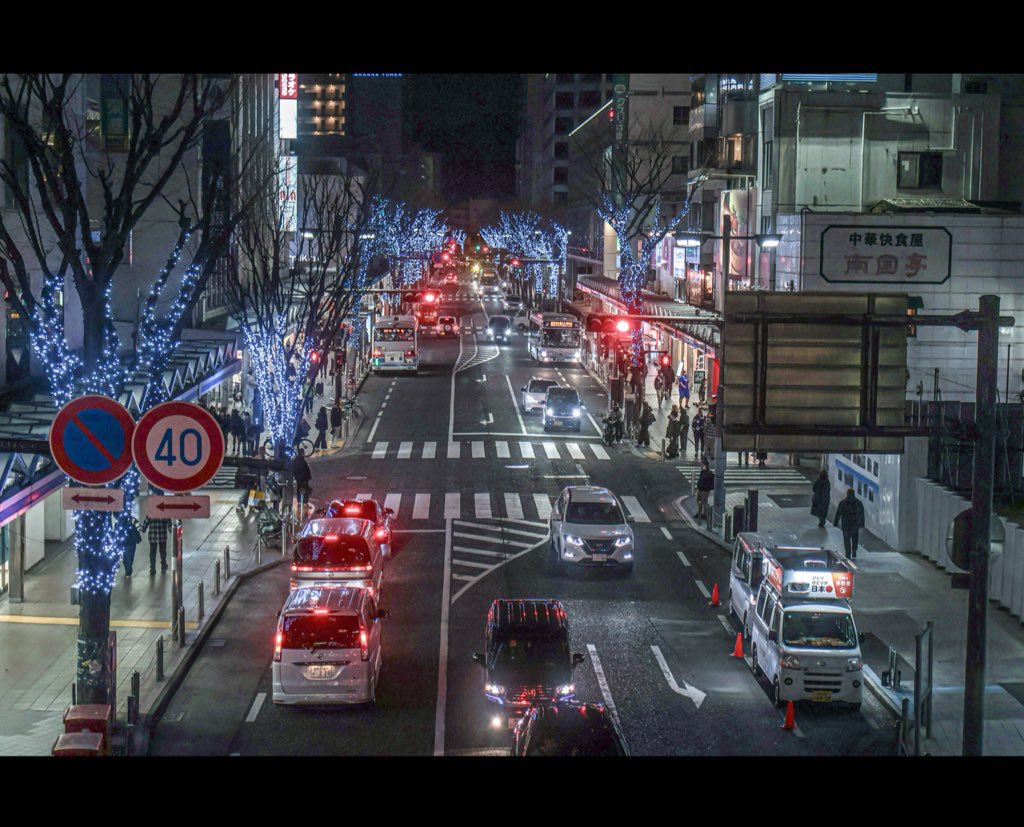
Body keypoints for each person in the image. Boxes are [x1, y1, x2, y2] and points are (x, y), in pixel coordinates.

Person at [834, 488, 866, 559]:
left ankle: (848, 553)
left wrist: (836, 523)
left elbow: (838, 513)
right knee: (855, 538)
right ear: (854, 494)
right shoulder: (858, 503)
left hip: (846, 524)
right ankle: (854, 551)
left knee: (846, 539)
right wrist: (862, 523)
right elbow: (861, 514)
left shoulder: (842, 503)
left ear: (847, 494)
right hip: (855, 524)